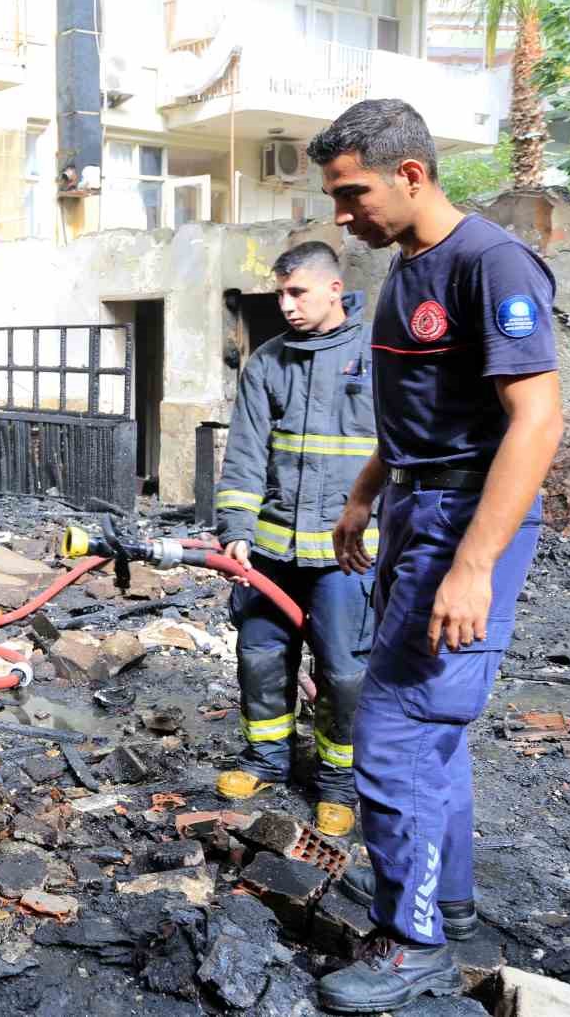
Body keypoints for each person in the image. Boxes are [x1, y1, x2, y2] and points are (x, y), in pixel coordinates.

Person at [308, 100, 562, 1013]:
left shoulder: (491, 263)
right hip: (418, 505)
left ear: (410, 174)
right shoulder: (405, 269)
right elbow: (417, 413)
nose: (343, 214)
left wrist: (473, 564)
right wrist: (365, 492)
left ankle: (410, 944)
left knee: (395, 733)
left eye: (352, 192)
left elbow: (536, 421)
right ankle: (444, 904)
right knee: (433, 735)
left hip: (466, 518)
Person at [213, 241, 377, 838]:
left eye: (296, 292)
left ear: (335, 288)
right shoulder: (268, 362)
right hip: (271, 550)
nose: (285, 305)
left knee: (343, 670)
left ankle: (338, 780)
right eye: (279, 293)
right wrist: (235, 530)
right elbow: (246, 456)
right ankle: (266, 760)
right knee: (259, 657)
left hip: (346, 556)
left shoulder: (376, 356)